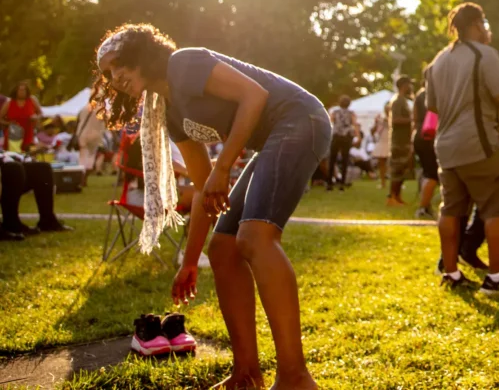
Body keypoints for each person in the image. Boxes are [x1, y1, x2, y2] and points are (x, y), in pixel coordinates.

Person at [92, 23, 331, 390]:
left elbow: (255, 96)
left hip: (301, 119)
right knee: (222, 248)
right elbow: (206, 189)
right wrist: (190, 261)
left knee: (255, 237)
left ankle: (296, 378)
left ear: (140, 53)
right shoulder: (169, 111)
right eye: (107, 74)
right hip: (273, 138)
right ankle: (246, 375)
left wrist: (223, 169)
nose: (114, 77)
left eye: (117, 64)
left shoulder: (184, 63)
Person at [425, 2, 499, 295]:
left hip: (446, 146)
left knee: (451, 209)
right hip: (478, 143)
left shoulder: (437, 62)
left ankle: (451, 272)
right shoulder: (485, 54)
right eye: (483, 23)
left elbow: (432, 105)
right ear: (474, 25)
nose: (485, 28)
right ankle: (496, 277)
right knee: (497, 206)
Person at [411, 84, 439, 218]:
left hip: (419, 135)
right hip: (431, 135)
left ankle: (426, 206)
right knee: (432, 174)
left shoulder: (419, 95)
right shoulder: (437, 92)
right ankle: (423, 208)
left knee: (426, 172)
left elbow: (415, 117)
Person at [387, 76, 414, 206]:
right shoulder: (397, 101)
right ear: (404, 85)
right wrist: (412, 120)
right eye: (409, 84)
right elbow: (395, 120)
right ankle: (391, 197)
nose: (411, 87)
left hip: (404, 140)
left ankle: (397, 197)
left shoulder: (403, 100)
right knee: (397, 169)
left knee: (402, 169)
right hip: (398, 141)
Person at [75, 91, 109, 188]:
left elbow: (77, 121)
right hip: (95, 137)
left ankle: (81, 179)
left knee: (83, 158)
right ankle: (84, 179)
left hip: (82, 135)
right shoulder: (101, 110)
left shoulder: (83, 109)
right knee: (90, 158)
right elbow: (107, 121)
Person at [327, 96, 356, 190]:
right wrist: (357, 135)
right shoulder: (351, 113)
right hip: (346, 137)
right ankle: (342, 183)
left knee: (332, 159)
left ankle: (329, 183)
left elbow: (330, 122)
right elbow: (354, 124)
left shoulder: (335, 112)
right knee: (345, 159)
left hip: (336, 136)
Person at [5, 82, 43, 152]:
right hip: (14, 131)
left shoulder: (32, 99)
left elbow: (40, 113)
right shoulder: (9, 102)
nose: (22, 92)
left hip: (28, 130)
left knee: (28, 151)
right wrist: (8, 123)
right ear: (16, 91)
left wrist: (36, 117)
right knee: (14, 152)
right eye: (20, 90)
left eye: (24, 90)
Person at [372, 112, 391, 191]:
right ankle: (383, 183)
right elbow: (373, 132)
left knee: (392, 165)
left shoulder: (393, 118)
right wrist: (376, 122)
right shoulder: (381, 120)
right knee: (381, 164)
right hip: (382, 143)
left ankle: (396, 183)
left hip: (390, 143)